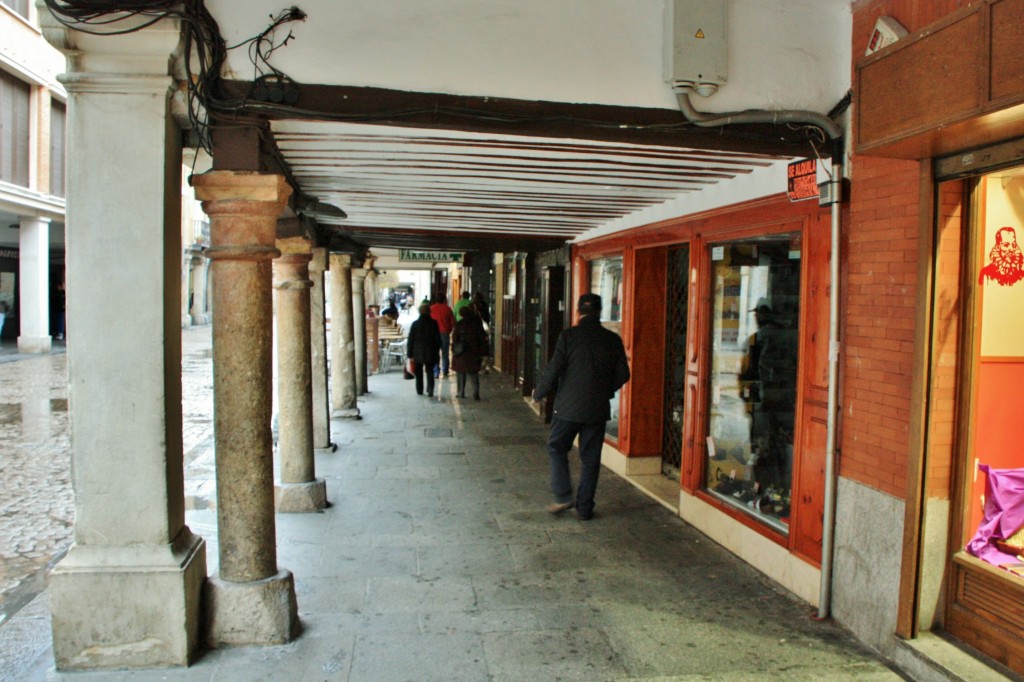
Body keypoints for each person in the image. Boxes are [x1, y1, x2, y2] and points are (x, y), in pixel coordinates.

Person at [532, 293, 630, 520]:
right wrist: (605, 390)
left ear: (578, 312)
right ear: (599, 312)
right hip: (596, 410)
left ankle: (564, 495)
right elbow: (624, 374)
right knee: (591, 459)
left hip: (567, 408)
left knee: (556, 447)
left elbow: (554, 368)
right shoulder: (612, 339)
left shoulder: (568, 336)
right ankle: (585, 508)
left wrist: (540, 392)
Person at [451, 305, 488, 400]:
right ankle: (476, 392)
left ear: (461, 314)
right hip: (473, 351)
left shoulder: (459, 324)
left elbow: (455, 338)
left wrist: (453, 349)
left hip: (462, 351)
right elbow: (481, 338)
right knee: (473, 373)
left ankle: (461, 392)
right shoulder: (475, 324)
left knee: (460, 373)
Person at [407, 303, 441, 397]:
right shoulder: (434, 323)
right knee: (430, 371)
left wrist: (409, 354)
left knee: (418, 372)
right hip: (431, 351)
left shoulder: (415, 324)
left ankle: (419, 390)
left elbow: (411, 340)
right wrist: (438, 349)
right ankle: (430, 390)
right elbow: (437, 339)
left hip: (417, 352)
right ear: (429, 312)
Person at [429, 294, 456, 378]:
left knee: (435, 352)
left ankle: (436, 371)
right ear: (444, 300)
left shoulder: (431, 309)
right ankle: (445, 370)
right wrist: (449, 330)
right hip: (444, 333)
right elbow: (453, 322)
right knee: (445, 353)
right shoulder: (448, 309)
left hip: (433, 334)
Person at [471, 292, 492, 373]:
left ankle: (477, 365)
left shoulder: (473, 306)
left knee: (476, 347)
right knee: (483, 347)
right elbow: (487, 318)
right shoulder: (485, 305)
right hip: (482, 329)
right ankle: (482, 366)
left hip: (476, 329)